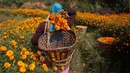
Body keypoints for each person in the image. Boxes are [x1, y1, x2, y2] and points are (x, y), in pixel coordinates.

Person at [31, 2, 76, 73]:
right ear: (61, 11)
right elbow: (73, 12)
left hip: (48, 61)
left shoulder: (43, 25)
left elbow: (34, 41)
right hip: (63, 60)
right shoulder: (65, 23)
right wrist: (65, 12)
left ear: (51, 11)